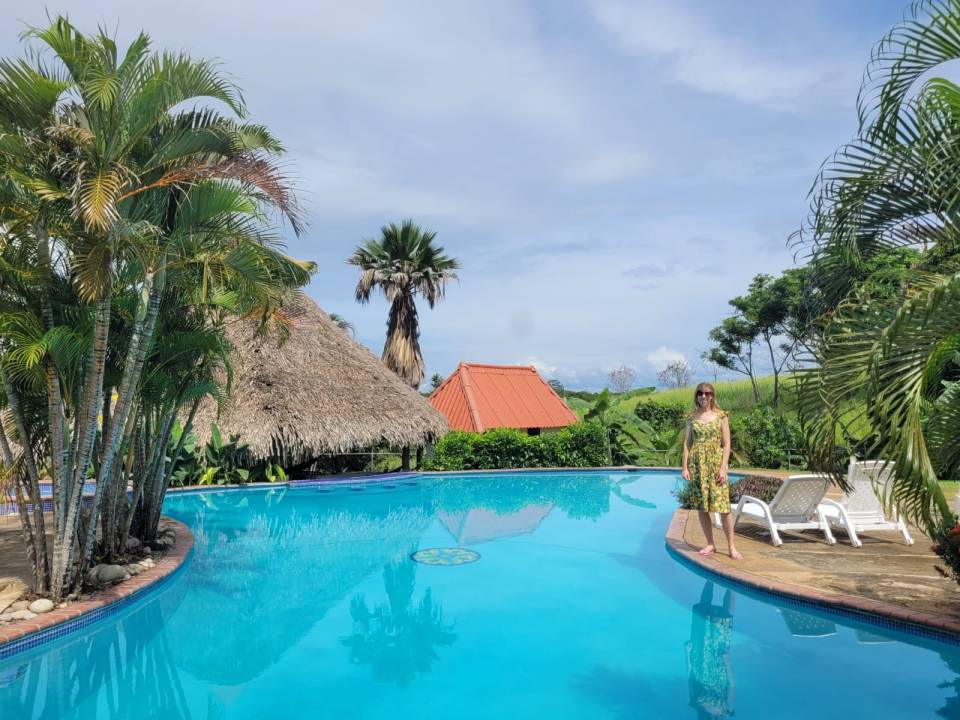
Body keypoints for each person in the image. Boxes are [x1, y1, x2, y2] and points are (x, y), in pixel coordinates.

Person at [681, 383, 743, 560]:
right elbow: (687, 443)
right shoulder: (691, 417)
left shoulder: (721, 416)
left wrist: (723, 467)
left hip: (716, 465)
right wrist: (685, 467)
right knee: (702, 507)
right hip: (697, 465)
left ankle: (731, 546)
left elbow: (727, 443)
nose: (703, 397)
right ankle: (710, 543)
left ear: (712, 396)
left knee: (723, 507)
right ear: (696, 396)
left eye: (707, 393)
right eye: (700, 393)